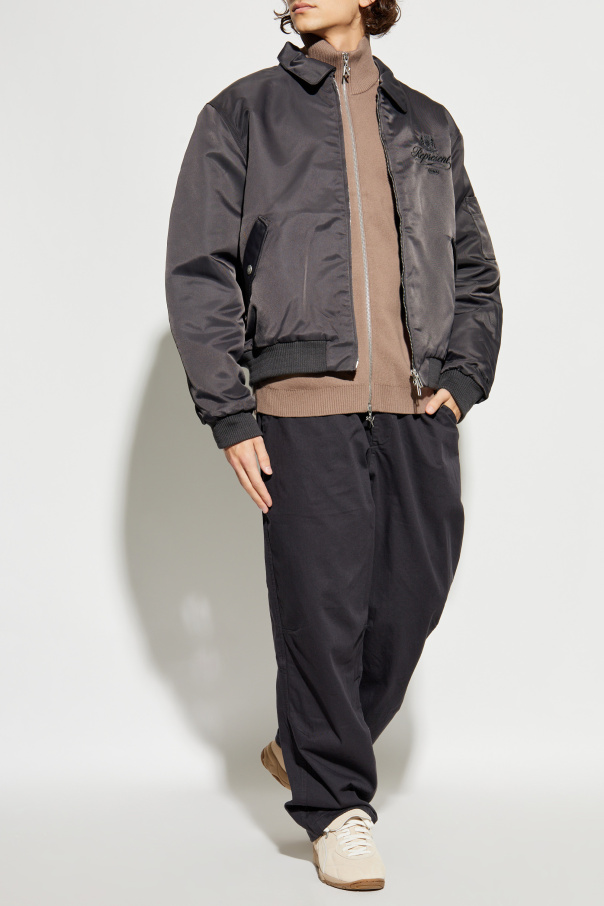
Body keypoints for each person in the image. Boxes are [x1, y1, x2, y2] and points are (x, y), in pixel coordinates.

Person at [165, 0, 502, 891]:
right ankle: (336, 807)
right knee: (321, 610)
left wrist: (462, 378)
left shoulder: (428, 124)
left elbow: (474, 268)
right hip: (300, 403)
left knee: (413, 593)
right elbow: (201, 269)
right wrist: (231, 412)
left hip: (417, 403)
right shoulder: (242, 113)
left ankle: (305, 743)